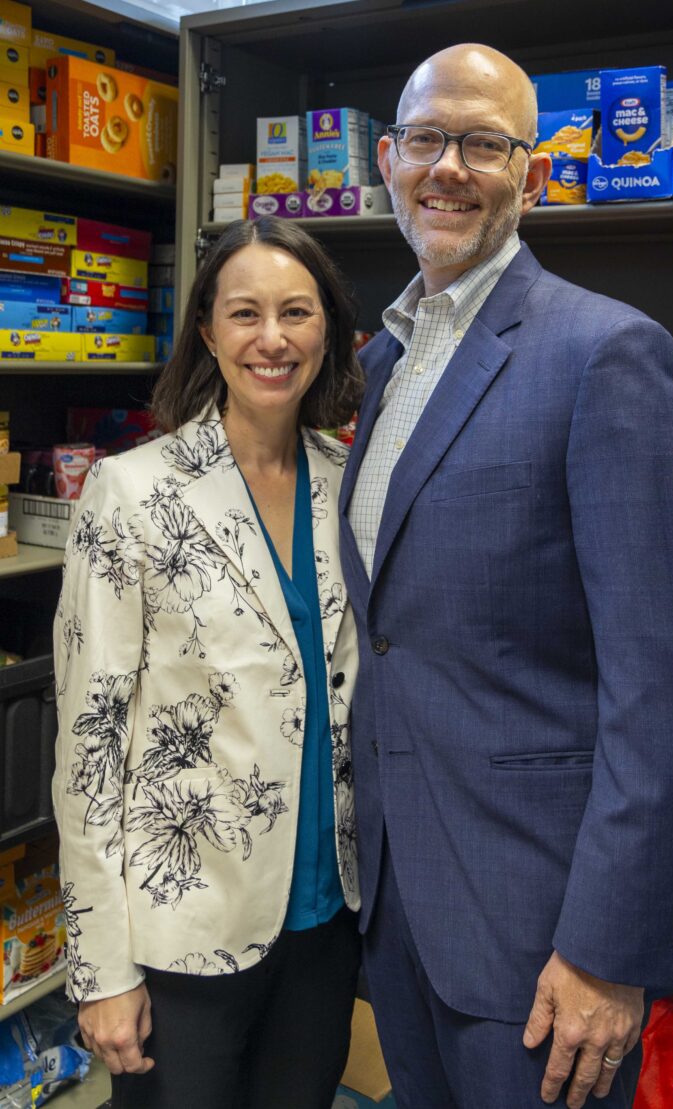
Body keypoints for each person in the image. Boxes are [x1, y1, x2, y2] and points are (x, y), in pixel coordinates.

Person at [339, 43, 673, 1109]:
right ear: (388, 159)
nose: (448, 168)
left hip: (546, 935)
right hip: (402, 905)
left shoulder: (608, 354)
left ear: (533, 170)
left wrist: (611, 950)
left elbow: (672, 692)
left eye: (485, 143)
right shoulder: (384, 364)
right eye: (427, 139)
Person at [53, 217, 364, 1109]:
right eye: (245, 313)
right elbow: (88, 750)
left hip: (324, 923)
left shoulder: (352, 483)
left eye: (297, 313)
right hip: (180, 930)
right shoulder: (133, 491)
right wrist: (100, 969)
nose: (273, 339)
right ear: (207, 331)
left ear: (327, 332)